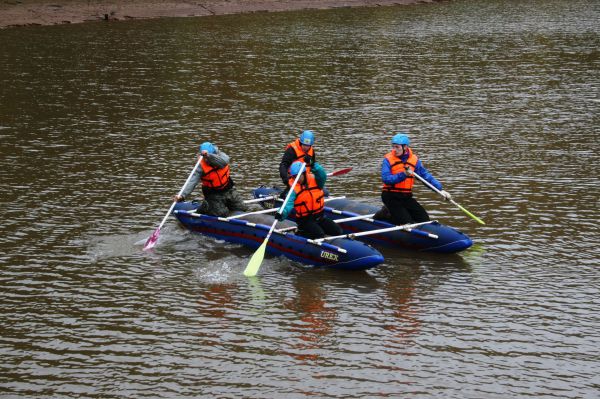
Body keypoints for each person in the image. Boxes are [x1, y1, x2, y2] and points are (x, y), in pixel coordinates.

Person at [378, 133, 452, 225]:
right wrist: (404, 174)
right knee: (407, 222)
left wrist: (440, 190)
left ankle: (392, 213)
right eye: (393, 147)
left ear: (405, 147)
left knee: (424, 219)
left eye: (397, 147)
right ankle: (387, 214)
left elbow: (425, 176)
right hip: (390, 196)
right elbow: (386, 179)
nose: (394, 150)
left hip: (406, 197)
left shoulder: (414, 160)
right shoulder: (388, 160)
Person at [175, 141, 247, 217]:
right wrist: (182, 195)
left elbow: (223, 162)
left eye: (207, 158)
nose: (206, 160)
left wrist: (208, 156)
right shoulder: (200, 166)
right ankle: (206, 206)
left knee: (242, 208)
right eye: (204, 158)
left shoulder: (222, 156)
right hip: (213, 194)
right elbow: (192, 181)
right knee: (221, 214)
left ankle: (221, 204)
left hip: (228, 189)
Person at [275, 161, 342, 239]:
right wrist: (282, 213)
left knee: (338, 231)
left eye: (298, 176)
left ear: (303, 173)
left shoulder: (317, 181)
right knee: (319, 234)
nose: (296, 179)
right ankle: (300, 233)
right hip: (304, 220)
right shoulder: (293, 189)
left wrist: (313, 164)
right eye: (294, 177)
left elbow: (322, 175)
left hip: (319, 217)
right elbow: (288, 204)